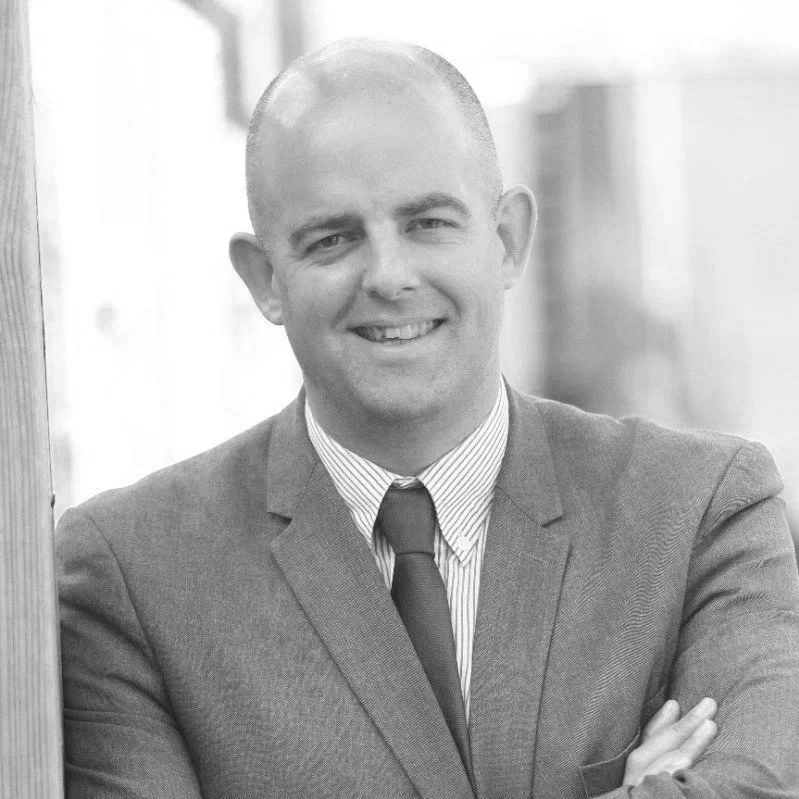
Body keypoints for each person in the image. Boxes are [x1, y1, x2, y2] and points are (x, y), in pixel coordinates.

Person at [57, 38, 799, 799]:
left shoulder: (702, 510)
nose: (388, 276)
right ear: (264, 279)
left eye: (427, 223)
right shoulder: (130, 575)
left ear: (507, 240)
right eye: (333, 239)